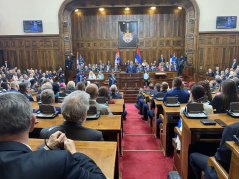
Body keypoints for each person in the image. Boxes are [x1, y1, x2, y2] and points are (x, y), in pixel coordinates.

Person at [0, 93, 106, 179]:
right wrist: (75, 153)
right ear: (32, 123)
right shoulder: (60, 161)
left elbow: (19, 161)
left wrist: (46, 148)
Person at [175, 84, 213, 150]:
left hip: (188, 136)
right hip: (205, 134)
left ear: (191, 95)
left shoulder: (184, 109)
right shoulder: (209, 108)